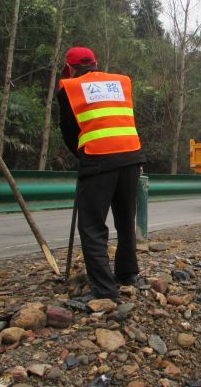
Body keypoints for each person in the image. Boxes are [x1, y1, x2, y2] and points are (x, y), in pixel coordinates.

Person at [57, 46, 146, 301]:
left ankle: (105, 291)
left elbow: (68, 131)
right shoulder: (120, 82)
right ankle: (128, 273)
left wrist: (84, 155)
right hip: (131, 156)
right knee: (126, 218)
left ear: (72, 68)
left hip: (98, 159)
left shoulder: (71, 87)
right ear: (95, 63)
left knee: (93, 227)